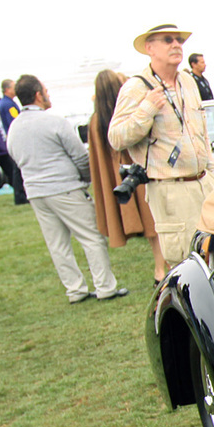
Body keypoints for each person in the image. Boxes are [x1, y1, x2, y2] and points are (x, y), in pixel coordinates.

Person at [6, 75, 128, 303]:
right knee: (91, 237)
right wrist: (84, 179)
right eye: (46, 90)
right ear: (37, 95)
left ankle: (75, 290)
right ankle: (105, 287)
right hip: (65, 187)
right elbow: (80, 156)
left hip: (35, 191)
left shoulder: (14, 127)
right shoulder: (54, 122)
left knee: (57, 244)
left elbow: (14, 155)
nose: (48, 94)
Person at [108, 24, 214, 268]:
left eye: (179, 40)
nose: (176, 45)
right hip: (171, 189)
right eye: (168, 40)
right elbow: (116, 137)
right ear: (150, 48)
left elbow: (202, 131)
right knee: (187, 262)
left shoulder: (188, 81)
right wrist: (147, 109)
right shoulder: (136, 87)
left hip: (204, 183)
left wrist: (213, 173)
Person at [89, 69, 164, 283]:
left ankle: (160, 267)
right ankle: (160, 268)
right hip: (138, 174)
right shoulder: (124, 116)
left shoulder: (96, 120)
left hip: (120, 177)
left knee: (152, 227)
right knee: (154, 225)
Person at [0, 80, 28, 204]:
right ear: (7, 89)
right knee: (18, 168)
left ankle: (20, 194)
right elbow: (15, 120)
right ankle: (20, 196)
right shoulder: (8, 104)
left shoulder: (6, 103)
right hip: (16, 138)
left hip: (12, 137)